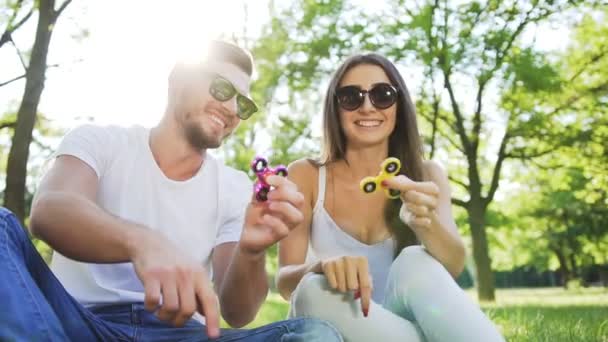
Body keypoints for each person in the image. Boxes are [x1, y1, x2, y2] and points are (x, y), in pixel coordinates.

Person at [0, 40, 342, 342]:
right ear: (179, 79)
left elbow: (238, 313)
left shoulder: (235, 187)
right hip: (77, 322)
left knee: (314, 334)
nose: (231, 109)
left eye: (244, 104)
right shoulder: (100, 141)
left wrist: (251, 253)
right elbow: (50, 211)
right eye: (222, 89)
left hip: (182, 335)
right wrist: (141, 242)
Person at [277, 53, 505, 342]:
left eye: (382, 95)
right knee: (311, 289)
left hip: (399, 318)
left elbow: (455, 265)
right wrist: (320, 267)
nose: (368, 107)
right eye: (351, 97)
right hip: (335, 320)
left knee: (415, 259)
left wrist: (426, 224)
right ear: (335, 108)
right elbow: (286, 283)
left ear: (399, 106)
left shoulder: (428, 174)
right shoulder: (306, 174)